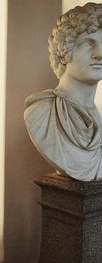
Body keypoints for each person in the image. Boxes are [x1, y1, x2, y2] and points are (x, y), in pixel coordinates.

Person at [24, 3, 102, 181]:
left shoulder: (99, 115)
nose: (100, 54)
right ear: (65, 50)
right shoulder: (41, 114)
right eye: (87, 43)